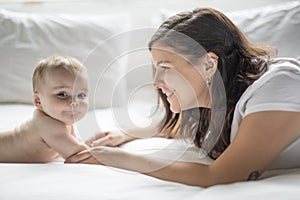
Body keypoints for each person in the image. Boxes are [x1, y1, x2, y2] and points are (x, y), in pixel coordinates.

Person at [65, 8, 300, 187]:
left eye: (166, 67)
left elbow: (223, 175)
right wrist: (127, 134)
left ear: (209, 64)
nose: (156, 81)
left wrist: (120, 159)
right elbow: (177, 127)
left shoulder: (279, 85)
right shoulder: (219, 100)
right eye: (155, 67)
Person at [0, 54, 89, 163]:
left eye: (81, 95)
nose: (75, 102)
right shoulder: (48, 125)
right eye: (62, 94)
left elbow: (76, 143)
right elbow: (78, 155)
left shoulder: (63, 119)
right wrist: (108, 154)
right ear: (38, 101)